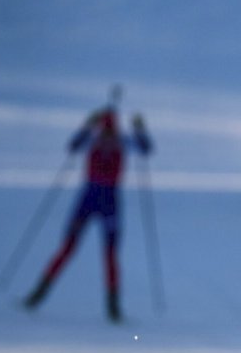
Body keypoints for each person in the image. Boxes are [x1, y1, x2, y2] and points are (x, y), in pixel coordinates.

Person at [23, 107, 152, 322]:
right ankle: (39, 292)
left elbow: (145, 149)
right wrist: (87, 125)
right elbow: (73, 146)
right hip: (89, 200)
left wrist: (140, 129)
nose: (108, 137)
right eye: (105, 131)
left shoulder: (118, 141)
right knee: (68, 248)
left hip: (107, 201)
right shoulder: (97, 139)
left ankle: (113, 306)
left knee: (109, 254)